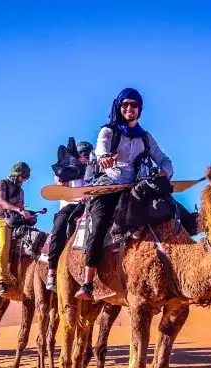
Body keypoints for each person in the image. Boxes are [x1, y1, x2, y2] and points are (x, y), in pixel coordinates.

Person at [75, 87, 173, 301]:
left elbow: (163, 158)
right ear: (119, 107)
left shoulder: (145, 138)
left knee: (167, 210)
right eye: (125, 104)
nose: (129, 108)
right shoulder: (109, 131)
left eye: (134, 105)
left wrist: (166, 171)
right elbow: (101, 149)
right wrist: (104, 158)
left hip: (135, 188)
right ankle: (88, 282)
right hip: (108, 186)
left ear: (140, 109)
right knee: (99, 225)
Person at [46, 140, 93, 291]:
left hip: (88, 206)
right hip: (69, 206)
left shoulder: (92, 170)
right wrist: (76, 198)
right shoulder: (64, 171)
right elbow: (62, 192)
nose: (85, 157)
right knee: (58, 230)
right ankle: (52, 272)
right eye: (82, 154)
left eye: (87, 154)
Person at [0, 162, 33, 295]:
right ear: (16, 174)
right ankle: (1, 281)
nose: (24, 180)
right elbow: (2, 203)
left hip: (15, 221)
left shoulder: (21, 191)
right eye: (23, 177)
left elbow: (21, 207)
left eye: (26, 178)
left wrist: (28, 215)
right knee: (4, 245)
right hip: (1, 220)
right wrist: (20, 210)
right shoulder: (1, 183)